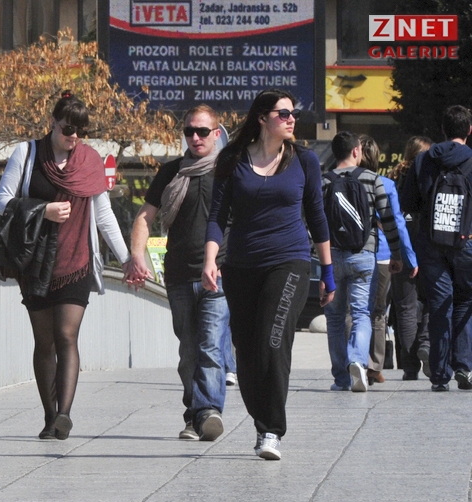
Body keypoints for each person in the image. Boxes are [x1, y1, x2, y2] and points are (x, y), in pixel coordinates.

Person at [202, 89, 335, 460]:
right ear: (262, 118)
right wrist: (210, 259)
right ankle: (263, 419)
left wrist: (328, 271)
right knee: (246, 353)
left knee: (272, 342)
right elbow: (217, 215)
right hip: (241, 266)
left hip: (289, 262)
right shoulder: (232, 160)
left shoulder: (304, 160)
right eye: (283, 114)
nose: (292, 120)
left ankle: (271, 429)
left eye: (293, 114)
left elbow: (317, 216)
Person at [0, 92, 131, 441]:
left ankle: (64, 415)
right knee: (45, 342)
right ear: (52, 123)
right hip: (36, 262)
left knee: (67, 335)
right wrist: (44, 210)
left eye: (81, 132)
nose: (74, 137)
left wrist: (128, 259)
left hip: (76, 261)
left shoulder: (89, 160)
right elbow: (1, 202)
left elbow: (103, 215)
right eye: (68, 129)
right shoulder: (27, 153)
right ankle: (48, 415)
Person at [124, 104, 231, 442]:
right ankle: (195, 414)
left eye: (203, 131)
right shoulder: (172, 172)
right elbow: (145, 217)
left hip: (219, 274)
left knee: (211, 347)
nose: (195, 137)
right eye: (189, 131)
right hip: (179, 275)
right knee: (189, 352)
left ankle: (207, 412)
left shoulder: (230, 170)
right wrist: (136, 256)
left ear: (216, 134)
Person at [322, 131, 402, 393]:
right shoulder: (372, 179)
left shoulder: (324, 181)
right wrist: (396, 253)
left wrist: (318, 258)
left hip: (333, 256)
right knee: (361, 314)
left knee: (335, 318)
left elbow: (315, 221)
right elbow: (388, 219)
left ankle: (341, 378)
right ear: (356, 151)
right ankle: (357, 360)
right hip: (364, 255)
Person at [399, 105, 472, 392]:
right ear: (469, 130)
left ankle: (440, 375)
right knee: (465, 300)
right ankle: (464, 367)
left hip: (431, 243)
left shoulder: (423, 160)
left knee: (440, 305)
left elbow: (408, 204)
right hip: (466, 242)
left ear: (443, 129)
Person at [357, 134, 416, 385]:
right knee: (378, 312)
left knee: (353, 311)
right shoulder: (386, 184)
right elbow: (397, 224)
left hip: (351, 251)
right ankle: (374, 366)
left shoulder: (342, 180)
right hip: (381, 254)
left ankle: (352, 362)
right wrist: (407, 256)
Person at [388, 136, 432, 380]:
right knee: (432, 300)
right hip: (428, 246)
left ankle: (410, 367)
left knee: (405, 308)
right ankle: (426, 343)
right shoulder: (429, 176)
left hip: (399, 249)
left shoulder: (394, 178)